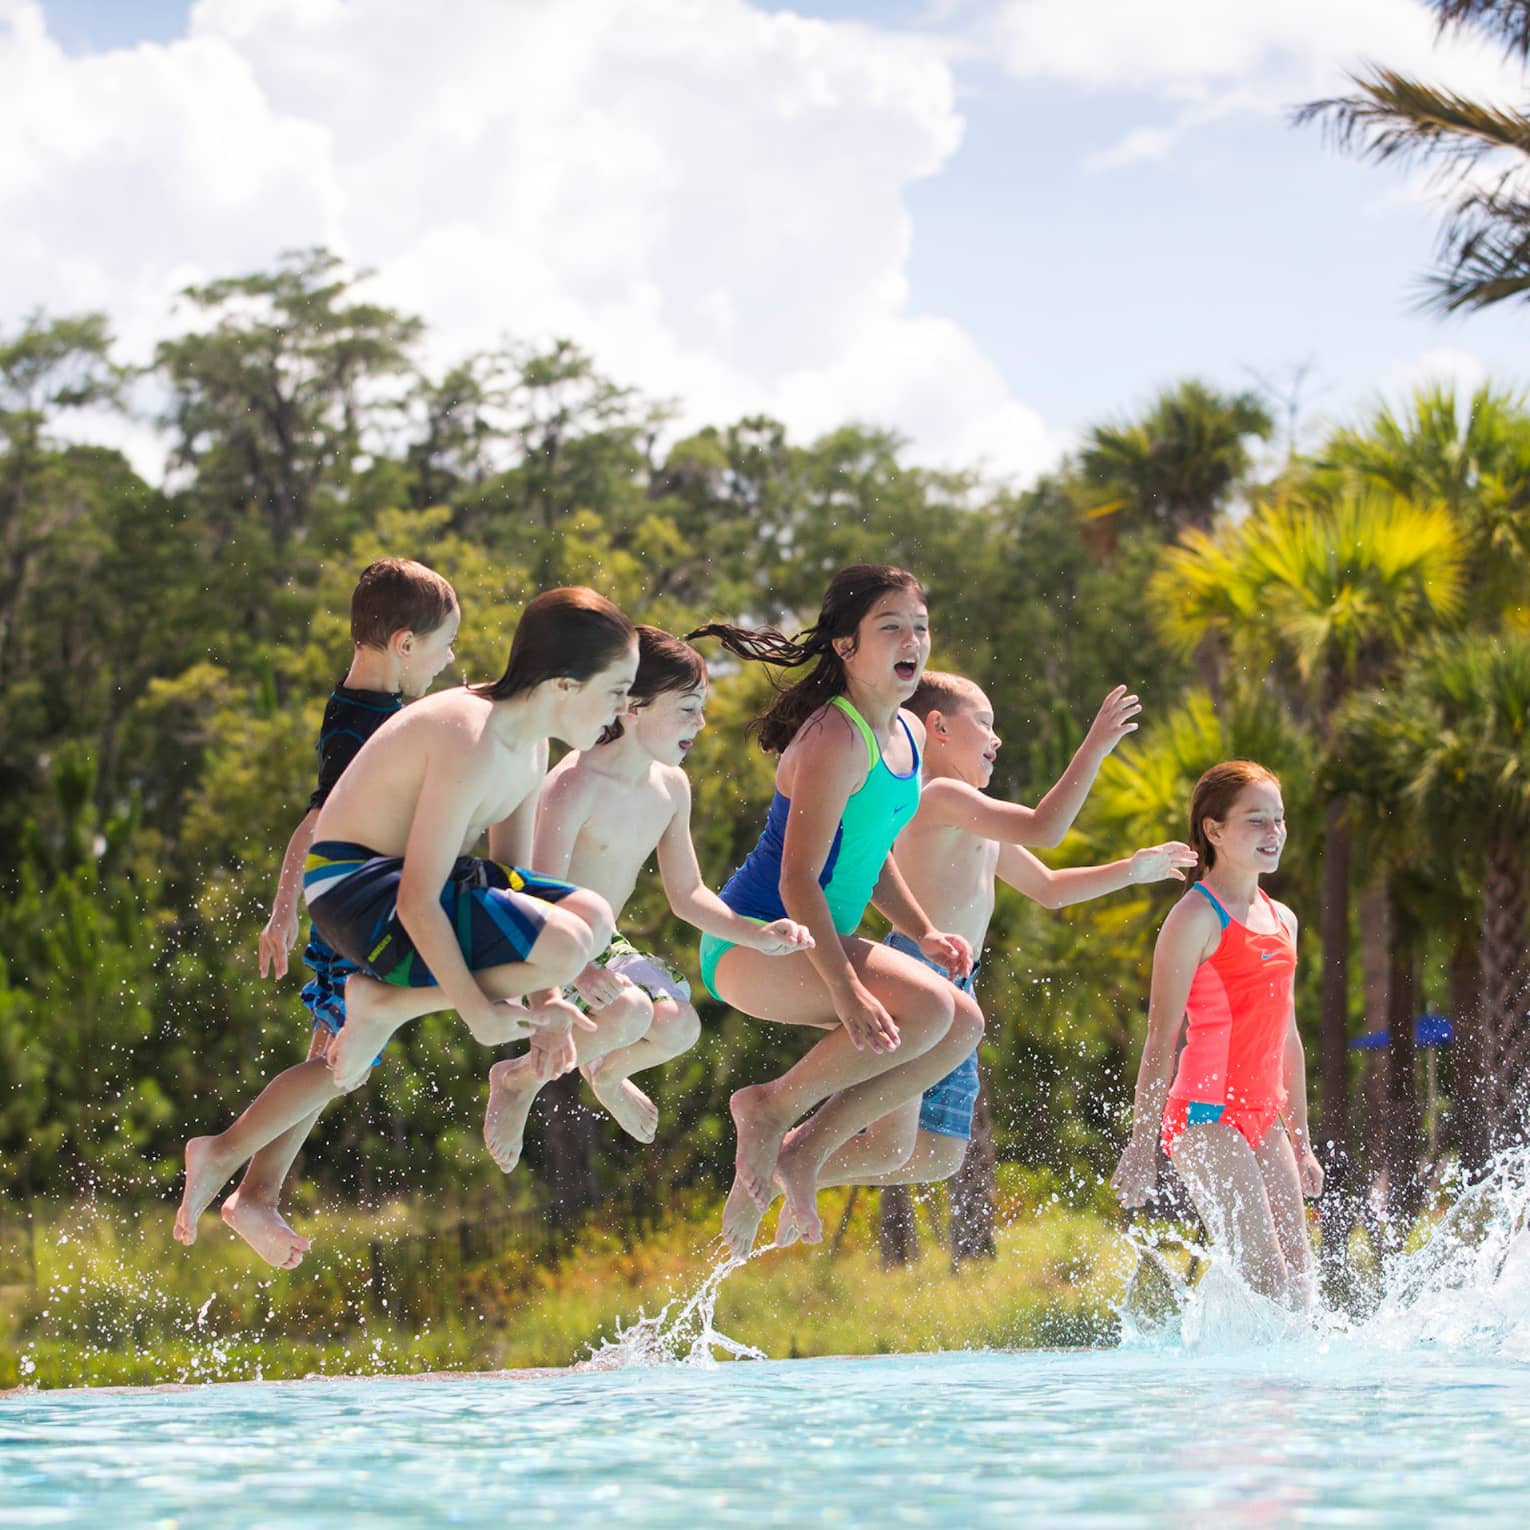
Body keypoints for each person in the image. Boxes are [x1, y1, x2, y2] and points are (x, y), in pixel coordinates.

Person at [174, 586, 636, 1253]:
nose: (621, 713)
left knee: (586, 916)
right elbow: (420, 900)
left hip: (406, 891)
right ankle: (386, 1006)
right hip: (357, 894)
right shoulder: (472, 737)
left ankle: (388, 1005)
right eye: (617, 691)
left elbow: (516, 892)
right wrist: (478, 1010)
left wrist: (550, 1002)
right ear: (564, 684)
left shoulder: (529, 746)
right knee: (566, 940)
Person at [774, 670, 1195, 1232]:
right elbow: (1046, 828)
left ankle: (794, 1169)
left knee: (932, 1157)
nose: (997, 739)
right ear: (938, 728)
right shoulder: (939, 796)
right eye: (986, 723)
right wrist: (1094, 745)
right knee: (891, 1144)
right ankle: (791, 1158)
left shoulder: (973, 814)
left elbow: (1048, 887)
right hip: (914, 976)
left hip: (956, 985)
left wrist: (1131, 871)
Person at [688, 565, 984, 1258]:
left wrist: (923, 931)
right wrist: (848, 991)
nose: (912, 639)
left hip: (816, 938)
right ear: (846, 646)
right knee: (933, 1014)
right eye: (891, 627)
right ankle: (771, 1108)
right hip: (758, 944)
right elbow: (797, 882)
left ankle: (802, 1155)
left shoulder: (906, 732)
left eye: (920, 626)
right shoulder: (833, 739)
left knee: (957, 1030)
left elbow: (870, 852)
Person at [173, 557, 460, 1267]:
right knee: (340, 1064)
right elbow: (314, 824)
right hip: (356, 914)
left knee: (327, 1059)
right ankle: (223, 1153)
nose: (451, 660)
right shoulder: (367, 725)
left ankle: (257, 1195)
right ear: (403, 644)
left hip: (355, 905)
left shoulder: (366, 709)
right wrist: (282, 910)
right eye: (443, 645)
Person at [532, 627, 813, 1144]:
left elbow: (688, 895)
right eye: (687, 708)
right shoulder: (575, 785)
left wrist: (756, 934)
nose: (701, 723)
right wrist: (578, 968)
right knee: (633, 1012)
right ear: (632, 706)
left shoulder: (669, 788)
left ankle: (609, 1075)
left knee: (680, 1027)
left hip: (600, 945)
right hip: (546, 948)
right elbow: (534, 897)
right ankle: (516, 1081)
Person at [1111, 760, 1324, 1309]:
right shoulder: (1193, 919)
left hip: (1263, 1117)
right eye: (1257, 820)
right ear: (1214, 830)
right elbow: (1161, 1043)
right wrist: (1141, 1145)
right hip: (1204, 1117)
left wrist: (1300, 1142)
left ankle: (1260, 1392)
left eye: (1278, 820)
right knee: (1268, 1281)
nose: (1273, 833)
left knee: (1303, 1289)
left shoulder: (1284, 919)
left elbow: (1288, 1041)